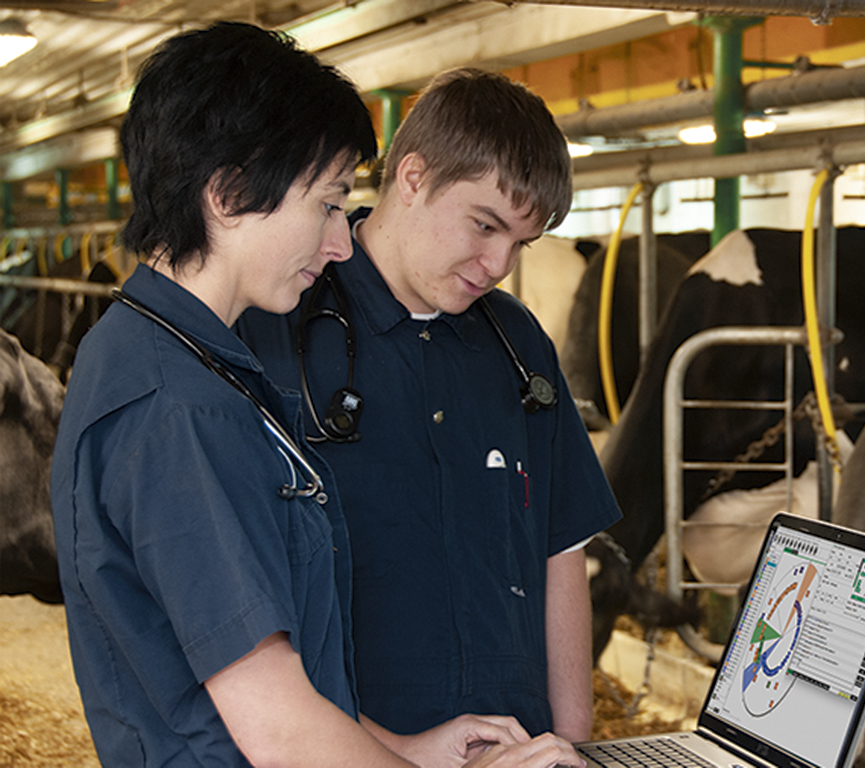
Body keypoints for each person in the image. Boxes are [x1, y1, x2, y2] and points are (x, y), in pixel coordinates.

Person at [50, 22, 583, 768]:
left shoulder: (186, 360)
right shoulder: (177, 405)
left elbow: (265, 689)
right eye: (330, 204)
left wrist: (406, 750)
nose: (340, 242)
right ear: (231, 194)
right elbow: (280, 731)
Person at [237, 68, 621, 741]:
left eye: (520, 243)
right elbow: (242, 603)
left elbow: (563, 552)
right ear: (412, 179)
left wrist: (574, 742)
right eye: (484, 225)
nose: (499, 263)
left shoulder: (517, 341)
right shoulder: (277, 327)